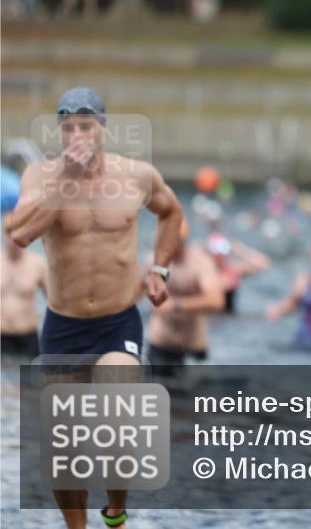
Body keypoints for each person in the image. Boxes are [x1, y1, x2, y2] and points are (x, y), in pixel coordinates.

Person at [5, 87, 183, 529]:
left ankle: (116, 513)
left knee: (116, 418)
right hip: (63, 325)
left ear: (103, 129)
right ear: (60, 133)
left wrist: (159, 269)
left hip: (116, 321)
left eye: (85, 126)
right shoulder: (40, 178)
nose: (77, 135)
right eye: (68, 128)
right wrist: (65, 179)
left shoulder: (136, 176)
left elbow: (172, 213)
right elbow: (20, 234)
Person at [146, 219, 225, 376]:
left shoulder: (200, 263)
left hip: (193, 348)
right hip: (159, 344)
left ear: (184, 239)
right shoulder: (152, 261)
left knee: (195, 398)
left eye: (175, 239)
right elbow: (134, 293)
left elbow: (216, 300)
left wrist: (176, 304)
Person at [1, 217, 48, 359]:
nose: (13, 240)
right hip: (1, 336)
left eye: (18, 234)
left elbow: (54, 303)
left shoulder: (38, 264)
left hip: (28, 336)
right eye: (10, 234)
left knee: (31, 381)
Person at [205, 232, 270, 314]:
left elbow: (263, 264)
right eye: (214, 253)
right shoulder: (203, 273)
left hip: (229, 318)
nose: (218, 257)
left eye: (221, 253)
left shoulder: (233, 271)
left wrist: (240, 250)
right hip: (210, 318)